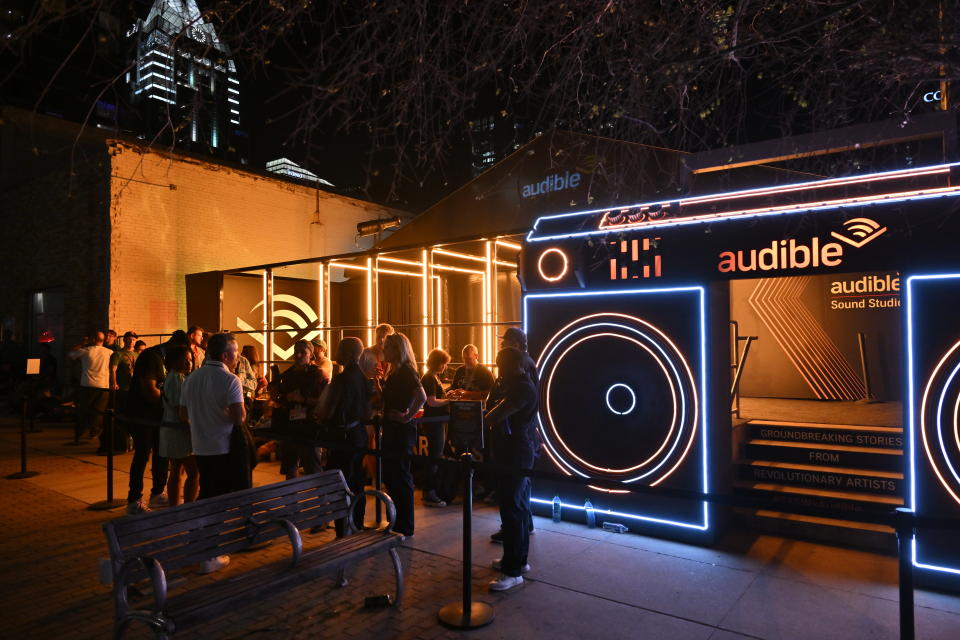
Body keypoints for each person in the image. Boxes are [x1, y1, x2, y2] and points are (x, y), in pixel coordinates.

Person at [180, 332, 246, 574]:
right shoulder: (230, 380)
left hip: (199, 444)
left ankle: (197, 541)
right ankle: (209, 551)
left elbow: (182, 414)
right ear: (225, 355)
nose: (238, 356)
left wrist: (202, 418)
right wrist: (221, 414)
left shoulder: (192, 378)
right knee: (216, 499)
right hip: (222, 445)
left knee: (207, 492)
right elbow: (239, 417)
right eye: (236, 352)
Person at [485, 347, 539, 592]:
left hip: (516, 453)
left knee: (512, 509)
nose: (498, 368)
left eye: (500, 363)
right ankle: (517, 560)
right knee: (515, 507)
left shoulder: (522, 387)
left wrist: (484, 415)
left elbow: (496, 414)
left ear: (514, 364)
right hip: (513, 452)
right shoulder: (515, 384)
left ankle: (513, 571)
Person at [124, 331, 189, 514]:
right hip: (143, 415)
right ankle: (134, 499)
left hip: (158, 416)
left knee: (161, 455)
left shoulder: (164, 360)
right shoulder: (151, 357)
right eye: (183, 355)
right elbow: (150, 390)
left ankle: (158, 493)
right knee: (142, 454)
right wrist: (170, 398)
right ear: (175, 345)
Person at [315, 337, 372, 536]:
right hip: (358, 435)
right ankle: (357, 523)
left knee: (341, 483)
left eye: (339, 349)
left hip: (342, 437)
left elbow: (325, 410)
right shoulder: (364, 379)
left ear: (347, 354)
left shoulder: (340, 379)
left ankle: (343, 529)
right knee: (357, 481)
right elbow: (368, 412)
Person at [490, 327, 540, 542]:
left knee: (513, 493)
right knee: (519, 489)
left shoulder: (521, 369)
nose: (501, 345)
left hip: (516, 439)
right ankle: (522, 527)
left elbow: (511, 407)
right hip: (520, 436)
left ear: (517, 345)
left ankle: (515, 531)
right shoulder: (524, 366)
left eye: (505, 342)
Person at [380, 332, 425, 537]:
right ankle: (397, 522)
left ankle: (404, 526)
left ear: (398, 350)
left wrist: (406, 417)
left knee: (401, 477)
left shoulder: (406, 371)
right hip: (393, 430)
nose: (384, 350)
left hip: (400, 432)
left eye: (387, 347)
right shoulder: (395, 371)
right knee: (393, 477)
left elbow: (421, 395)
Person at [277, 340, 325, 480]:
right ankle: (292, 500)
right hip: (290, 424)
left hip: (309, 425)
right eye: (296, 352)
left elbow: (322, 402)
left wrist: (302, 399)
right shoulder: (288, 374)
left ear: (311, 354)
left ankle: (321, 500)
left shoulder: (318, 374)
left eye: (303, 352)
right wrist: (278, 396)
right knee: (290, 467)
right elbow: (279, 396)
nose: (298, 355)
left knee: (312, 468)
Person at [159, 346, 198, 506]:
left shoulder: (172, 377)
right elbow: (179, 408)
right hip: (180, 430)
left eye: (190, 360)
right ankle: (188, 507)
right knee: (193, 472)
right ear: (175, 361)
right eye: (186, 360)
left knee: (177, 470)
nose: (189, 363)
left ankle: (174, 507)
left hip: (171, 428)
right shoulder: (177, 379)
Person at [67, 331, 112, 450]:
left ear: (93, 340)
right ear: (103, 340)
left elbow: (71, 354)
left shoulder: (86, 351)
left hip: (87, 384)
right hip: (103, 385)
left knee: (84, 409)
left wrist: (82, 343)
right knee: (99, 411)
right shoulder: (109, 352)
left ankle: (80, 432)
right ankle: (94, 432)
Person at [420, 348, 452, 507]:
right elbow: (432, 401)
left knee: (435, 455)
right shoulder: (430, 378)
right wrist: (448, 401)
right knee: (435, 456)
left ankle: (430, 491)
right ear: (438, 363)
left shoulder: (432, 377)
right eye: (444, 363)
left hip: (436, 421)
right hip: (435, 421)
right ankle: (430, 492)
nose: (445, 367)